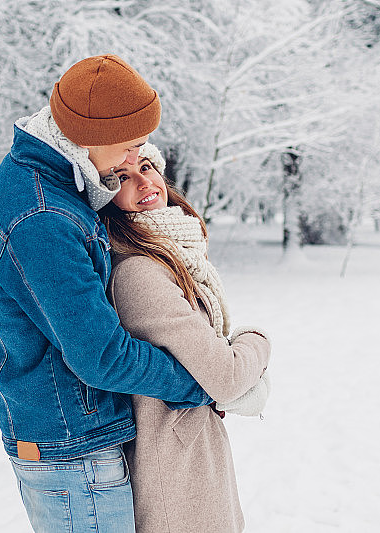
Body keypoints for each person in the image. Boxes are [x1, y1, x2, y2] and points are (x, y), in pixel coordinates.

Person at [0, 55, 213, 533]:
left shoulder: (50, 181)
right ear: (90, 137)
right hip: (74, 454)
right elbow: (101, 356)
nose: (133, 159)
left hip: (71, 443)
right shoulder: (43, 218)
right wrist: (200, 383)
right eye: (130, 146)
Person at [99, 142, 272, 532]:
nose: (144, 182)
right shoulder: (139, 272)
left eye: (146, 167)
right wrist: (256, 338)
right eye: (123, 177)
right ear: (107, 197)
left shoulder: (173, 256)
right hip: (174, 471)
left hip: (192, 451)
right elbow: (226, 376)